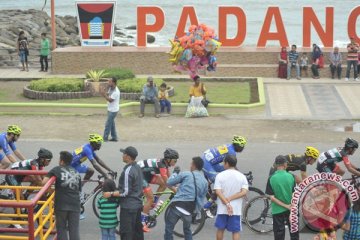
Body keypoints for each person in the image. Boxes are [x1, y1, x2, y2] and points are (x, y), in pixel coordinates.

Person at [103, 146, 144, 240]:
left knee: (126, 234)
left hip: (128, 207)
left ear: (128, 157)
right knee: (137, 233)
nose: (122, 155)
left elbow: (125, 192)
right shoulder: (137, 167)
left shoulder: (128, 171)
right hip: (137, 205)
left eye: (124, 154)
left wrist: (110, 193)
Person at [201, 136, 247, 218]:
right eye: (242, 146)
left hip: (208, 160)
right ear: (237, 145)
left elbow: (228, 167)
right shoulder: (232, 153)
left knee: (222, 171)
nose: (243, 148)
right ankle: (206, 207)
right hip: (207, 163)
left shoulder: (229, 146)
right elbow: (232, 167)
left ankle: (209, 192)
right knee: (219, 186)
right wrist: (241, 176)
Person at [71, 134, 114, 219]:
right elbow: (94, 164)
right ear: (94, 143)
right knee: (79, 180)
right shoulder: (87, 149)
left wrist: (110, 170)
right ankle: (76, 210)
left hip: (76, 165)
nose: (100, 145)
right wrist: (105, 175)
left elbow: (98, 160)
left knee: (90, 171)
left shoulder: (90, 148)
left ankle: (80, 187)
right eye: (99, 143)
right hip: (70, 167)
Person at [164, 157, 208, 240]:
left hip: (177, 206)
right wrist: (196, 211)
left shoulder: (186, 174)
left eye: (191, 164)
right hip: (189, 210)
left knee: (169, 229)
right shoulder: (204, 181)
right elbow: (202, 198)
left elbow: (169, 182)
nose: (190, 166)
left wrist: (175, 173)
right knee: (187, 230)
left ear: (194, 165)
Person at [42, 151, 81, 240]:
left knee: (61, 229)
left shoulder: (56, 169)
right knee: (74, 230)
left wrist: (51, 191)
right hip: (75, 205)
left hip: (61, 205)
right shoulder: (76, 172)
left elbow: (44, 182)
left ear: (61, 161)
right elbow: (79, 189)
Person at [138, 148, 179, 232]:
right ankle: (142, 223)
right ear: (168, 159)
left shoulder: (165, 164)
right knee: (150, 198)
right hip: (139, 174)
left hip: (145, 173)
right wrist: (175, 190)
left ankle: (154, 202)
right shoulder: (162, 165)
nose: (175, 162)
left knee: (163, 184)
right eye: (175, 160)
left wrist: (177, 185)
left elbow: (170, 179)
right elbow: (167, 182)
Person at [214, 155, 248, 240]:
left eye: (224, 163)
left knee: (220, 229)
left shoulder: (220, 175)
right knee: (235, 231)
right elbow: (244, 192)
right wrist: (230, 198)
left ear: (227, 163)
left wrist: (226, 202)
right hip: (235, 210)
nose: (223, 165)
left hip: (222, 209)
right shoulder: (242, 176)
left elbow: (218, 191)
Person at [265, 155, 299, 240]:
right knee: (294, 233)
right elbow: (294, 194)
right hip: (291, 209)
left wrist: (284, 206)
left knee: (279, 234)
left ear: (276, 165)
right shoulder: (291, 176)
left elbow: (271, 197)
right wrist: (289, 206)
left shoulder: (271, 178)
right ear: (285, 164)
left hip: (277, 210)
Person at [101, 77, 120, 142]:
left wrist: (103, 94)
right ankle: (114, 137)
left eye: (110, 82)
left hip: (113, 111)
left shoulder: (116, 92)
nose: (108, 83)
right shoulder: (111, 88)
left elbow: (110, 100)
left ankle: (105, 138)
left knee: (108, 124)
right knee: (112, 124)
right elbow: (108, 94)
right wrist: (104, 91)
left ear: (113, 83)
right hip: (110, 109)